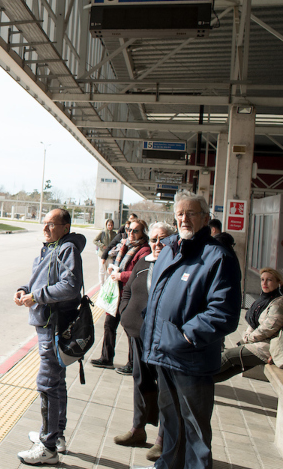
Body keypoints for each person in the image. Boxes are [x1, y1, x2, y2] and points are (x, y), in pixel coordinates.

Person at [141, 190, 241, 469]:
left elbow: (224, 313)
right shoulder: (170, 248)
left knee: (195, 430)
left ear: (206, 218)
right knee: (170, 423)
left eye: (191, 213)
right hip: (162, 352)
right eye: (180, 213)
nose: (184, 218)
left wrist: (184, 336)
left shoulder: (218, 257)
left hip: (190, 358)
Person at [15, 208, 85, 465]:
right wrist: (24, 290)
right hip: (46, 324)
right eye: (44, 223)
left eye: (52, 224)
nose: (45, 228)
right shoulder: (50, 248)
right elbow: (38, 281)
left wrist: (36, 296)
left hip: (54, 326)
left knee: (47, 384)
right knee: (56, 382)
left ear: (65, 227)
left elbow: (69, 285)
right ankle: (57, 435)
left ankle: (48, 445)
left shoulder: (67, 250)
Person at [113, 221, 176, 462]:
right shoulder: (144, 261)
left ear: (172, 240)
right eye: (154, 239)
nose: (158, 244)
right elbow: (128, 288)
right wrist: (125, 312)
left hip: (163, 337)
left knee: (165, 387)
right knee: (140, 381)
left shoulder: (175, 264)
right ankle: (138, 429)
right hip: (138, 333)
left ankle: (162, 438)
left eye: (163, 239)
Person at [214, 268, 283, 382]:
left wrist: (246, 340)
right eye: (262, 279)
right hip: (260, 344)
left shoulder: (281, 303)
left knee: (228, 355)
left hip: (272, 347)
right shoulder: (264, 300)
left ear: (279, 283)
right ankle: (201, 386)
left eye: (269, 280)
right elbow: (254, 324)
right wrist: (246, 338)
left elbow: (267, 329)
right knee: (233, 366)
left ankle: (195, 378)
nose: (264, 283)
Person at [92, 218, 149, 373]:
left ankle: (132, 363)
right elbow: (117, 261)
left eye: (135, 230)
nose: (131, 233)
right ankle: (106, 357)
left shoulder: (144, 250)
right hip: (116, 293)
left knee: (129, 329)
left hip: (129, 295)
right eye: (129, 230)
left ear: (143, 233)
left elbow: (139, 272)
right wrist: (112, 268)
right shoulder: (125, 245)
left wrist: (121, 275)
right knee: (109, 325)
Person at [94, 218, 117, 286]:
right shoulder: (102, 233)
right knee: (102, 270)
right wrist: (102, 245)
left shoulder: (114, 234)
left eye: (111, 225)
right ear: (106, 225)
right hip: (102, 255)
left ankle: (107, 285)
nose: (110, 226)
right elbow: (95, 240)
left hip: (110, 255)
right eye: (109, 225)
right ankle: (102, 285)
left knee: (109, 271)